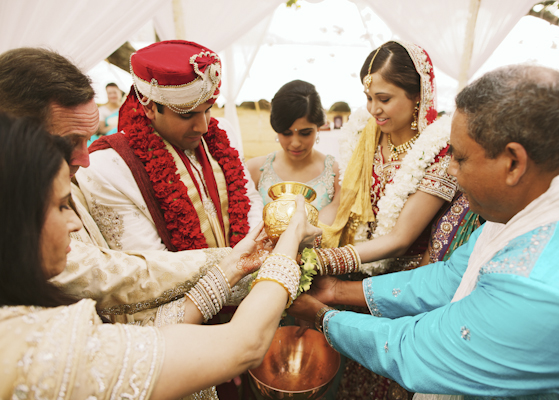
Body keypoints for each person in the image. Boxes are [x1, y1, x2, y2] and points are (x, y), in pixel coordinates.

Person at [290, 65, 559, 398]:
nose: (451, 170)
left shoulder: (540, 288)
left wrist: (323, 317)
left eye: (460, 158)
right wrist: (336, 291)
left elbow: (415, 351)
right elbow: (451, 276)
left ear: (513, 163)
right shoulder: (544, 203)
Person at [0, 113, 320, 400]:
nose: (74, 223)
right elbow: (243, 345)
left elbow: (146, 337)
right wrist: (288, 241)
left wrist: (232, 269)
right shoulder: (40, 348)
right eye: (61, 205)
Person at [78, 40, 263, 253]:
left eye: (208, 109)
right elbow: (149, 263)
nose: (203, 127)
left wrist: (253, 255)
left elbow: (249, 198)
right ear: (149, 106)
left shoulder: (223, 132)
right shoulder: (109, 167)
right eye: (187, 114)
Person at [319, 41, 479, 276]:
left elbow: (400, 238)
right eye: (368, 98)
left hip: (404, 281)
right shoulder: (364, 134)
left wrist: (328, 259)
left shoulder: (441, 150)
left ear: (417, 95)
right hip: (350, 263)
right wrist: (310, 236)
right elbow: (340, 204)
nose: (373, 109)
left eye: (384, 99)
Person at [247, 80, 341, 220]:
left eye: (305, 133)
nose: (296, 143)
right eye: (287, 133)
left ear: (319, 127)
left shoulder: (336, 173)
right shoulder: (254, 170)